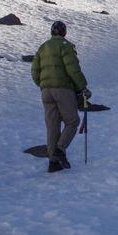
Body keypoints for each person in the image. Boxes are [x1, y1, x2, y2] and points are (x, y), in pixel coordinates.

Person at [31, 20, 90, 172]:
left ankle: (53, 163)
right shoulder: (65, 46)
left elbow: (34, 71)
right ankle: (60, 149)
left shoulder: (43, 47)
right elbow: (73, 69)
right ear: (64, 32)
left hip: (46, 91)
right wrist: (82, 87)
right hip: (63, 89)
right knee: (72, 121)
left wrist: (43, 84)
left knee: (52, 126)